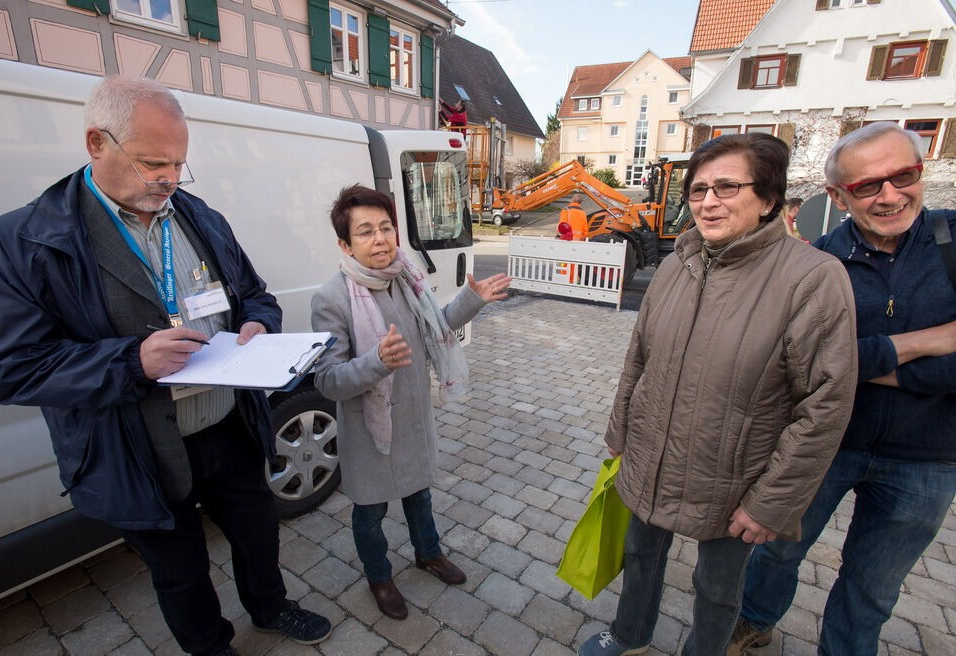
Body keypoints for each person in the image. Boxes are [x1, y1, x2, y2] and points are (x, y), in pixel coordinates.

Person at [0, 77, 330, 656]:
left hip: (228, 427)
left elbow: (254, 294)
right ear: (96, 142)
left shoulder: (197, 214)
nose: (167, 179)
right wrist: (131, 360)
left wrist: (259, 324)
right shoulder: (24, 239)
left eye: (178, 164)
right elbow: (8, 367)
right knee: (180, 570)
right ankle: (211, 647)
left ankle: (269, 607)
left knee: (259, 535)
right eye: (150, 163)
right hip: (135, 450)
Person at [577, 133, 858, 656]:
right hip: (650, 454)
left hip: (736, 478)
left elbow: (824, 405)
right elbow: (639, 357)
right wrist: (620, 433)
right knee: (639, 554)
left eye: (727, 187)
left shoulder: (812, 278)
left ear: (768, 198)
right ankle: (631, 633)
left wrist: (772, 503)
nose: (708, 202)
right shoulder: (676, 262)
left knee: (716, 588)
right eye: (699, 189)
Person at [730, 122, 956, 656]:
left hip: (928, 457)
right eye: (867, 186)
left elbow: (837, 362)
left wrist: (857, 359)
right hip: (825, 443)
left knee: (873, 585)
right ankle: (754, 621)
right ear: (837, 195)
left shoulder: (952, 245)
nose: (890, 195)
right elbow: (802, 364)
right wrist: (929, 342)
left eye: (903, 176)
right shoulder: (816, 263)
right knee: (778, 551)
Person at [310, 185, 510, 620]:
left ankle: (428, 552)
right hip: (371, 431)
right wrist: (377, 363)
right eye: (366, 232)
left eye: (386, 228)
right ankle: (379, 576)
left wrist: (472, 300)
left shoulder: (406, 276)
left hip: (414, 416)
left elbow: (435, 326)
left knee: (419, 495)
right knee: (370, 513)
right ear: (345, 244)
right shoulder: (332, 298)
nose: (380, 239)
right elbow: (327, 380)